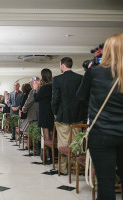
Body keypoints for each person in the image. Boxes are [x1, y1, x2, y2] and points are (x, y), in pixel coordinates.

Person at [78, 33, 123, 200]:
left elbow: (81, 96)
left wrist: (88, 72)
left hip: (102, 133)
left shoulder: (95, 72)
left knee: (105, 183)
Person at [51, 57, 86, 175]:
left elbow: (55, 98)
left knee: (63, 142)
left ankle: (64, 169)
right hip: (77, 115)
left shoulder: (57, 79)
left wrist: (55, 112)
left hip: (62, 115)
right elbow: (83, 98)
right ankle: (75, 166)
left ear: (62, 65)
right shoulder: (80, 78)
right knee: (75, 141)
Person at [33, 69, 54, 162]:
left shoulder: (44, 87)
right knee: (52, 133)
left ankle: (48, 155)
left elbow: (36, 98)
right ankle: (54, 155)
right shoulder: (53, 85)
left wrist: (35, 89)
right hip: (52, 112)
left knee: (46, 135)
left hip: (44, 112)